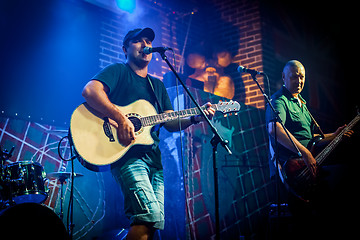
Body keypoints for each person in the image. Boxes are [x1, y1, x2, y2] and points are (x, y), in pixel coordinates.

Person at [81, 27, 215, 240]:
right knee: (148, 217)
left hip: (154, 162)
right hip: (127, 157)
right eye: (138, 40)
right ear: (125, 48)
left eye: (148, 41)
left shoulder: (157, 85)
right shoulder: (118, 71)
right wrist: (120, 118)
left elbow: (170, 122)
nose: (145, 44)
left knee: (151, 226)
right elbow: (90, 91)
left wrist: (196, 117)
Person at [265, 60, 354, 239]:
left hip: (310, 166)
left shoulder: (302, 104)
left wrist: (334, 135)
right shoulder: (279, 99)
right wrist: (304, 153)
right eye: (294, 77)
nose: (299, 81)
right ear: (284, 77)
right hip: (294, 171)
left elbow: (313, 139)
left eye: (302, 77)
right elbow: (274, 129)